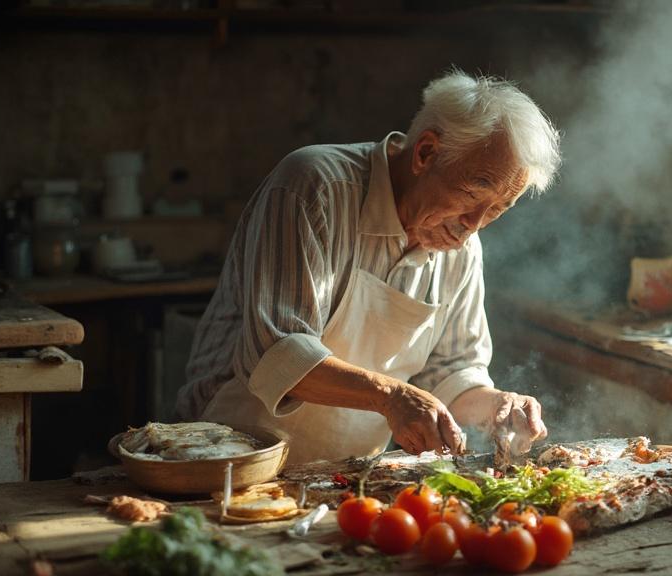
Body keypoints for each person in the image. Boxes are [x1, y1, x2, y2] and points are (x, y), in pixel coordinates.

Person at [176, 70, 561, 464]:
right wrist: (393, 396)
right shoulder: (314, 187)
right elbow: (275, 354)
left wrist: (497, 404)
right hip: (229, 453)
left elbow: (451, 371)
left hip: (346, 473)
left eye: (498, 208)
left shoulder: (463, 247)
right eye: (471, 193)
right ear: (425, 152)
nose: (474, 225)